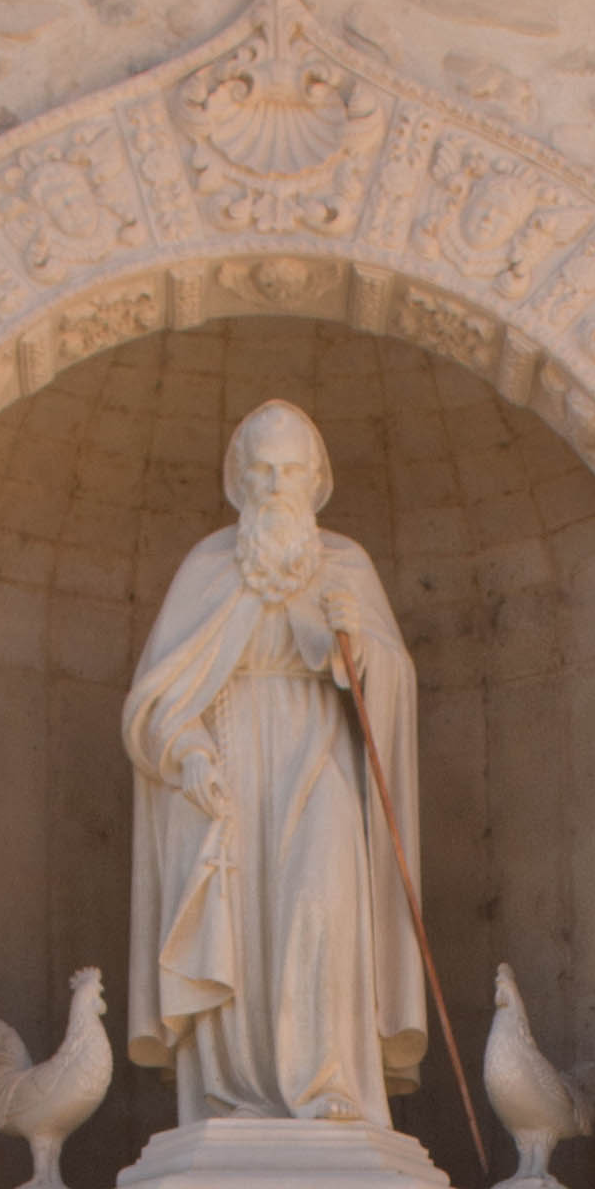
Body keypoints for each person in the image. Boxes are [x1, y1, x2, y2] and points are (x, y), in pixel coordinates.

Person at [125, 395, 425, 1136]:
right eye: (261, 469)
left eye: (291, 468)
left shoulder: (344, 566)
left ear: (315, 476)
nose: (276, 483)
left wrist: (358, 647)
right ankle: (233, 1093)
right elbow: (157, 697)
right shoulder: (208, 568)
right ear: (239, 480)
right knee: (240, 920)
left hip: (318, 754)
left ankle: (327, 1081)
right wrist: (188, 752)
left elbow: (390, 689)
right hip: (227, 767)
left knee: (320, 902)